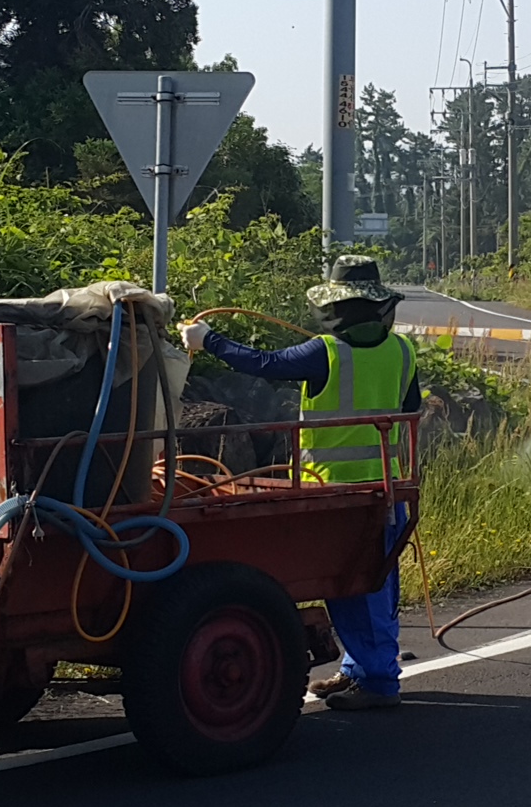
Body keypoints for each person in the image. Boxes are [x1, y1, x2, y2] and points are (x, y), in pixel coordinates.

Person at [180, 257, 420, 711]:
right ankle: (359, 669)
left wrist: (206, 339)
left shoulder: (325, 352)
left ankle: (379, 682)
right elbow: (410, 408)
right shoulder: (402, 351)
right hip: (386, 489)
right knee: (373, 584)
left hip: (333, 490)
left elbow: (264, 363)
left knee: (351, 585)